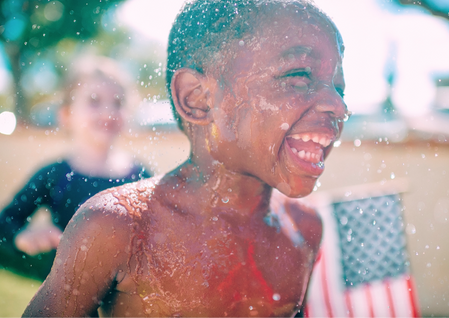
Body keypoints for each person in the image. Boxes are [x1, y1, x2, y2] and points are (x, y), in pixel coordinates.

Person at [23, 0, 348, 316]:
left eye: (338, 87)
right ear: (198, 98)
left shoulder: (304, 229)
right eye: (299, 75)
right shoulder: (121, 227)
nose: (338, 105)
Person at [0, 55, 151, 281]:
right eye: (94, 100)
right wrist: (22, 237)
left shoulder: (141, 178)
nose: (108, 112)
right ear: (67, 114)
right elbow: (5, 223)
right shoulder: (55, 175)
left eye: (117, 103)